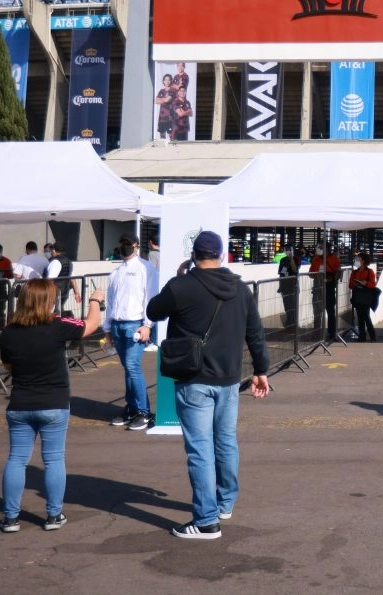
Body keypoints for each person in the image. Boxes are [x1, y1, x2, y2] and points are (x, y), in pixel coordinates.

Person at [145, 230, 270, 540]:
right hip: (228, 378)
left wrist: (176, 278)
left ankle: (206, 521)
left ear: (194, 255)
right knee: (225, 440)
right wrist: (261, 370)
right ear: (222, 255)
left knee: (200, 449)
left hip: (193, 378)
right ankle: (224, 504)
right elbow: (255, 332)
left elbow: (153, 311)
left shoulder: (181, 285)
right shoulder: (240, 289)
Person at [0, 279, 104, 533]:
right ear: (48, 302)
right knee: (54, 459)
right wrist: (95, 301)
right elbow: (91, 325)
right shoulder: (57, 325)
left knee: (16, 459)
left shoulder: (9, 331)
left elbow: (8, 366)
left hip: (20, 403)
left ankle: (10, 518)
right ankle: (53, 515)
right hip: (54, 403)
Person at [104, 234, 158, 431]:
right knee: (128, 368)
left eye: (128, 244)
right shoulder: (116, 272)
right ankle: (133, 408)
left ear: (136, 246)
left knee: (132, 366)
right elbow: (111, 301)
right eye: (122, 244)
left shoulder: (146, 268)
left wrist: (148, 324)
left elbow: (151, 297)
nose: (125, 248)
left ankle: (144, 411)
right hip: (118, 324)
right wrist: (108, 328)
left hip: (134, 323)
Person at [309, 242, 341, 341]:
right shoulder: (315, 259)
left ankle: (332, 333)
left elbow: (338, 272)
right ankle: (317, 333)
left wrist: (331, 279)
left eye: (321, 247)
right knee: (317, 311)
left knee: (330, 311)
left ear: (327, 249)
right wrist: (317, 275)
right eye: (319, 247)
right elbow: (310, 273)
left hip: (329, 288)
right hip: (317, 287)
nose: (319, 248)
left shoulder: (334, 259)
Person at [349, 252, 379, 342]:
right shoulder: (354, 272)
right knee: (360, 317)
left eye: (358, 259)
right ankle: (362, 337)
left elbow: (373, 284)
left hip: (366, 297)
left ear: (363, 261)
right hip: (357, 296)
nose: (356, 260)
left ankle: (372, 336)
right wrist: (355, 283)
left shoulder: (369, 271)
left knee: (366, 316)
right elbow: (350, 285)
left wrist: (366, 283)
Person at [45, 242, 81, 313]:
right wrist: (76, 293)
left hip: (54, 293)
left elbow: (50, 280)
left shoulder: (55, 262)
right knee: (59, 312)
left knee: (51, 313)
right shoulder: (69, 262)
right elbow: (73, 279)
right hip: (64, 292)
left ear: (54, 250)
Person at [155, 73, 175, 139]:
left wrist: (161, 99)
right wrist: (164, 99)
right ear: (163, 81)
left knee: (171, 136)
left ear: (171, 81)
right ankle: (163, 149)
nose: (167, 81)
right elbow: (156, 101)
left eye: (169, 80)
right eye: (166, 80)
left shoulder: (173, 90)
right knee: (162, 137)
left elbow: (167, 100)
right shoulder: (161, 91)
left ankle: (173, 149)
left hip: (170, 117)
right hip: (161, 117)